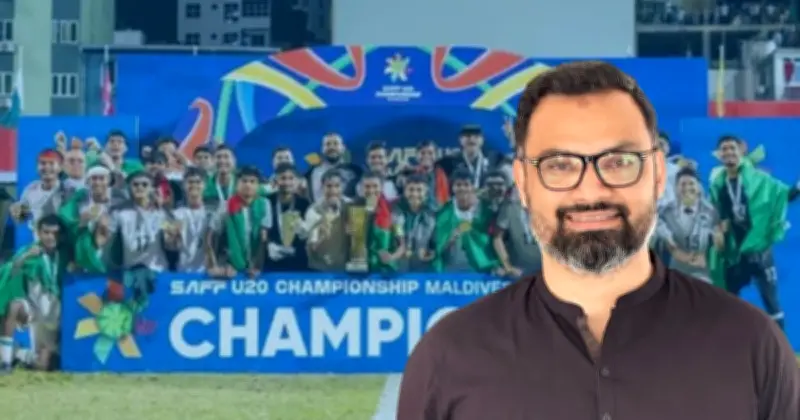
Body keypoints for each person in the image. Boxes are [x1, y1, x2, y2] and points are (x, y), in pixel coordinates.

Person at [397, 62, 799, 419]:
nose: (591, 189)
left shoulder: (751, 345)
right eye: (559, 164)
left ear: (659, 174)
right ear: (523, 183)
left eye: (619, 161)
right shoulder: (448, 356)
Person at [708, 135, 800, 328]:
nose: (728, 152)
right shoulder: (718, 185)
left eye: (732, 148)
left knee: (772, 303)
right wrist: (717, 230)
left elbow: (784, 196)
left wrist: (798, 187)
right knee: (727, 301)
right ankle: (733, 342)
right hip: (735, 253)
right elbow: (718, 213)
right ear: (718, 155)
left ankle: (780, 345)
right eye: (724, 149)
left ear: (741, 151)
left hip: (760, 252)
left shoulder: (759, 179)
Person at [0, 215, 65, 372]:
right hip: (33, 311)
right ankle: (5, 362)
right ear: (38, 233)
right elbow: (10, 270)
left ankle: (21, 355)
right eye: (46, 232)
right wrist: (25, 257)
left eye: (55, 233)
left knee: (43, 365)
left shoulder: (64, 255)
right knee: (13, 306)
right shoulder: (29, 251)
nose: (50, 237)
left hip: (56, 317)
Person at [656, 168, 720, 282]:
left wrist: (707, 257)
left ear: (699, 187)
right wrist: (673, 248)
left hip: (703, 272)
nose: (687, 188)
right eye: (683, 184)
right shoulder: (666, 213)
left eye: (691, 183)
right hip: (675, 273)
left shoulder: (711, 212)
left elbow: (719, 244)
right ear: (676, 188)